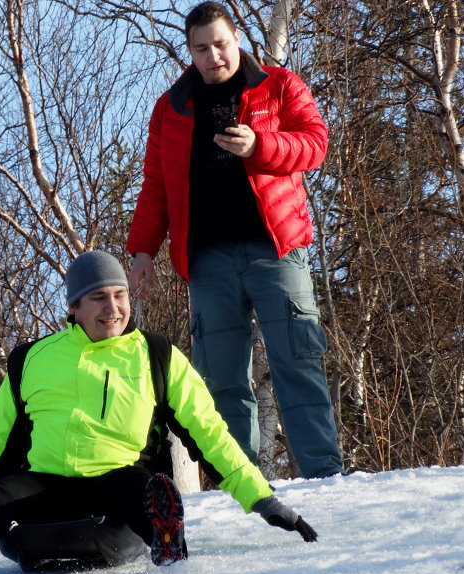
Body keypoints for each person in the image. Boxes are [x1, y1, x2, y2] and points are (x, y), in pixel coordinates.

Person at [0, 250, 319, 567]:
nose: (113, 308)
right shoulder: (31, 360)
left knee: (148, 492)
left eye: (120, 295)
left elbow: (208, 432)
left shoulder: (155, 356)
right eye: (99, 298)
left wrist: (261, 498)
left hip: (117, 480)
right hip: (45, 485)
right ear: (74, 307)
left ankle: (165, 543)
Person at [126, 1, 343, 480]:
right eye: (201, 48)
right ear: (189, 51)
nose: (213, 56)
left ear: (236, 39)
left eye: (220, 44)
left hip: (277, 251)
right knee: (221, 380)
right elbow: (155, 187)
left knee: (298, 360)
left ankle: (326, 479)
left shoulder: (278, 85)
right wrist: (143, 253)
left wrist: (260, 146)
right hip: (207, 262)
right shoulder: (171, 109)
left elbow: (315, 143)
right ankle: (237, 486)